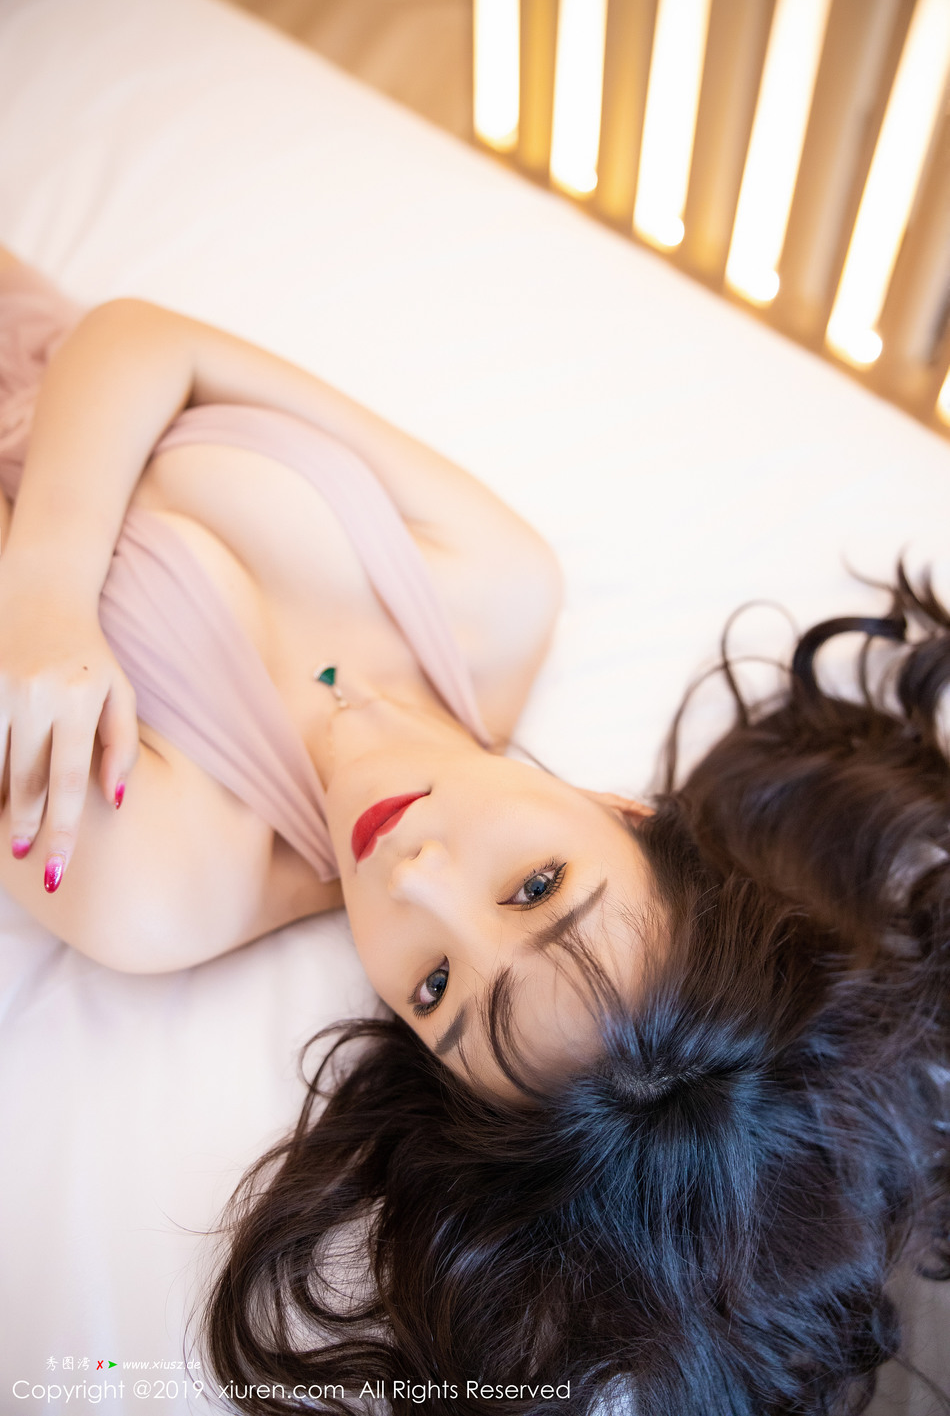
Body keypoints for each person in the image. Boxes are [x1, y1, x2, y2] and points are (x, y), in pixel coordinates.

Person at [1, 248, 948, 1415]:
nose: (415, 877)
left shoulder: (159, 887)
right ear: (626, 812)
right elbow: (146, 338)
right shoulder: (500, 592)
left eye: (437, 987)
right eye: (536, 887)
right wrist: (45, 592)